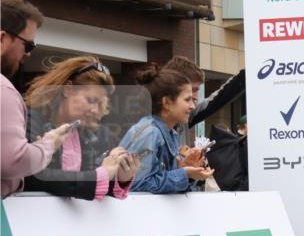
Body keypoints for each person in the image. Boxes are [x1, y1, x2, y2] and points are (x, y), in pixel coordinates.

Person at [23, 56, 139, 200]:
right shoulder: (31, 120)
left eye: (99, 104)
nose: (96, 110)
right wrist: (99, 175)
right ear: (67, 89)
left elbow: (92, 187)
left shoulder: (89, 133)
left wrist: (121, 177)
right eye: (91, 100)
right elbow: (33, 177)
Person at [1, 0, 73, 198]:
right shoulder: (4, 91)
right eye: (28, 45)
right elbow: (13, 161)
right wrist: (48, 145)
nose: (29, 53)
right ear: (2, 38)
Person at [118, 64, 214, 193]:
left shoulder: (168, 133)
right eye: (187, 100)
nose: (192, 106)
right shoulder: (150, 134)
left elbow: (161, 183)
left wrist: (187, 169)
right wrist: (185, 174)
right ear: (167, 102)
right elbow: (138, 185)